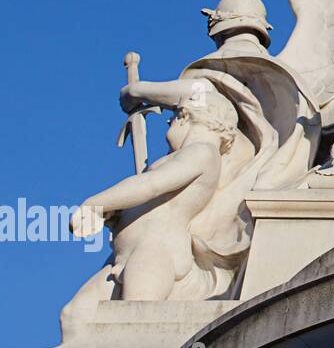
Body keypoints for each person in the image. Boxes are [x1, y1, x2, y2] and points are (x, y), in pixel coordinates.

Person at [68, 82, 238, 302]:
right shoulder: (179, 156)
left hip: (155, 251)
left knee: (135, 316)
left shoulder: (203, 152)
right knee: (73, 317)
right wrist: (117, 214)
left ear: (185, 116)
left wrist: (95, 203)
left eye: (173, 117)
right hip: (124, 255)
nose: (169, 122)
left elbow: (152, 185)